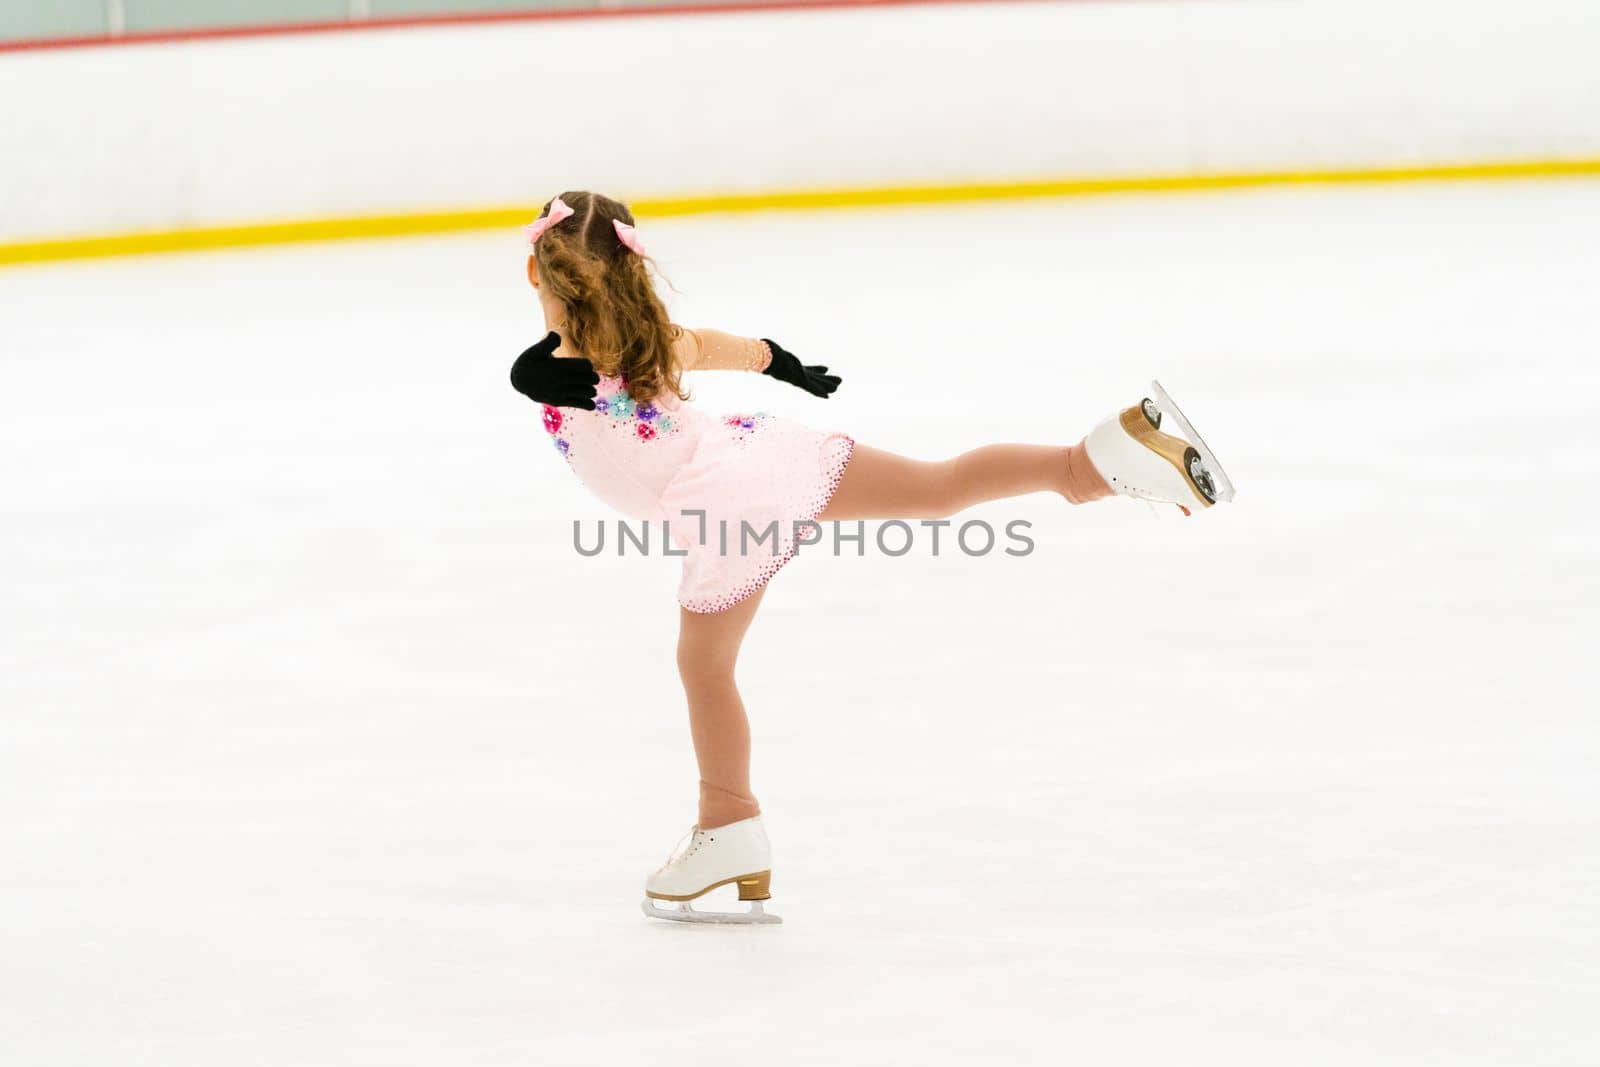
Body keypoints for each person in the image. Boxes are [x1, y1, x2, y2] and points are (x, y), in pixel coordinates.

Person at [509, 191, 1234, 924]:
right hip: (757, 452)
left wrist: (543, 365)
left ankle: (729, 824)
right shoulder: (648, 339)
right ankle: (1094, 462)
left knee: (705, 667)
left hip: (720, 500)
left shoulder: (565, 358)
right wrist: (782, 364)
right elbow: (721, 345)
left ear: (538, 273)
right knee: (939, 485)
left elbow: (546, 374)